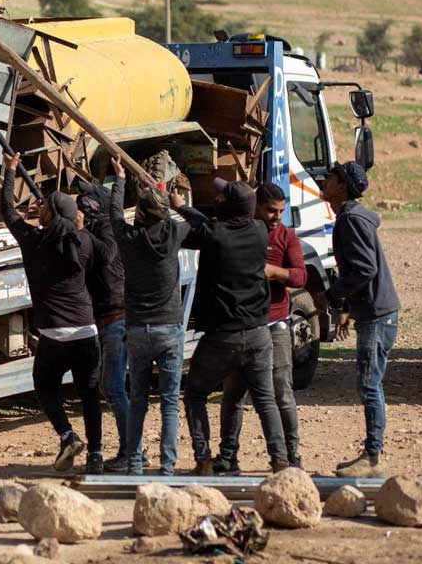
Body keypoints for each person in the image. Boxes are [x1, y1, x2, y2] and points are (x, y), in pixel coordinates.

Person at [178, 177, 290, 475]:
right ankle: (280, 460)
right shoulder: (260, 231)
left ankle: (203, 459)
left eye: (222, 198)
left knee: (195, 394)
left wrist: (179, 206)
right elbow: (208, 224)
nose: (217, 200)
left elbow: (200, 227)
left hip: (222, 336)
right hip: (258, 333)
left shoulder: (215, 236)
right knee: (265, 399)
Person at [2, 152, 105, 473]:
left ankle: (67, 435)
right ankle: (96, 455)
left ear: (52, 214)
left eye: (45, 205)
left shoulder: (33, 241)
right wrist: (71, 222)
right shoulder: (84, 242)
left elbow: (8, 212)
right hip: (86, 331)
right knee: (90, 395)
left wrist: (10, 171)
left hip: (53, 336)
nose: (41, 206)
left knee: (45, 387)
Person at [215, 183, 306, 474]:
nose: (276, 217)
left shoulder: (286, 236)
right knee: (234, 393)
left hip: (275, 325)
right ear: (255, 207)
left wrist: (274, 273)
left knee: (281, 391)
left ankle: (291, 455)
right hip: (242, 326)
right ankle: (228, 455)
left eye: (280, 211)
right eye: (270, 210)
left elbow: (300, 276)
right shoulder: (238, 232)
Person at [108, 157, 191, 475]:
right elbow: (195, 221)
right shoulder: (173, 234)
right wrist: (178, 204)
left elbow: (115, 215)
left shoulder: (128, 240)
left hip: (138, 330)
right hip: (169, 327)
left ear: (139, 214)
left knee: (138, 399)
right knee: (169, 401)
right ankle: (167, 468)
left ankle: (134, 463)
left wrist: (119, 180)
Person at [321, 161, 400, 477]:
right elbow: (356, 269)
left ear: (342, 186)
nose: (325, 180)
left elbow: (365, 269)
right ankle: (371, 453)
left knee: (370, 384)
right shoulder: (350, 217)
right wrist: (346, 308)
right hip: (373, 312)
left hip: (377, 316)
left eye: (331, 177)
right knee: (370, 383)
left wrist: (331, 296)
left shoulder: (351, 220)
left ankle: (372, 458)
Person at [76, 185, 128, 471]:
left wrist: (82, 231)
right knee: (111, 387)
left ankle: (132, 450)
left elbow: (107, 256)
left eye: (85, 205)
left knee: (113, 387)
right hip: (109, 317)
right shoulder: (101, 227)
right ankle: (132, 449)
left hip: (117, 317)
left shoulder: (108, 228)